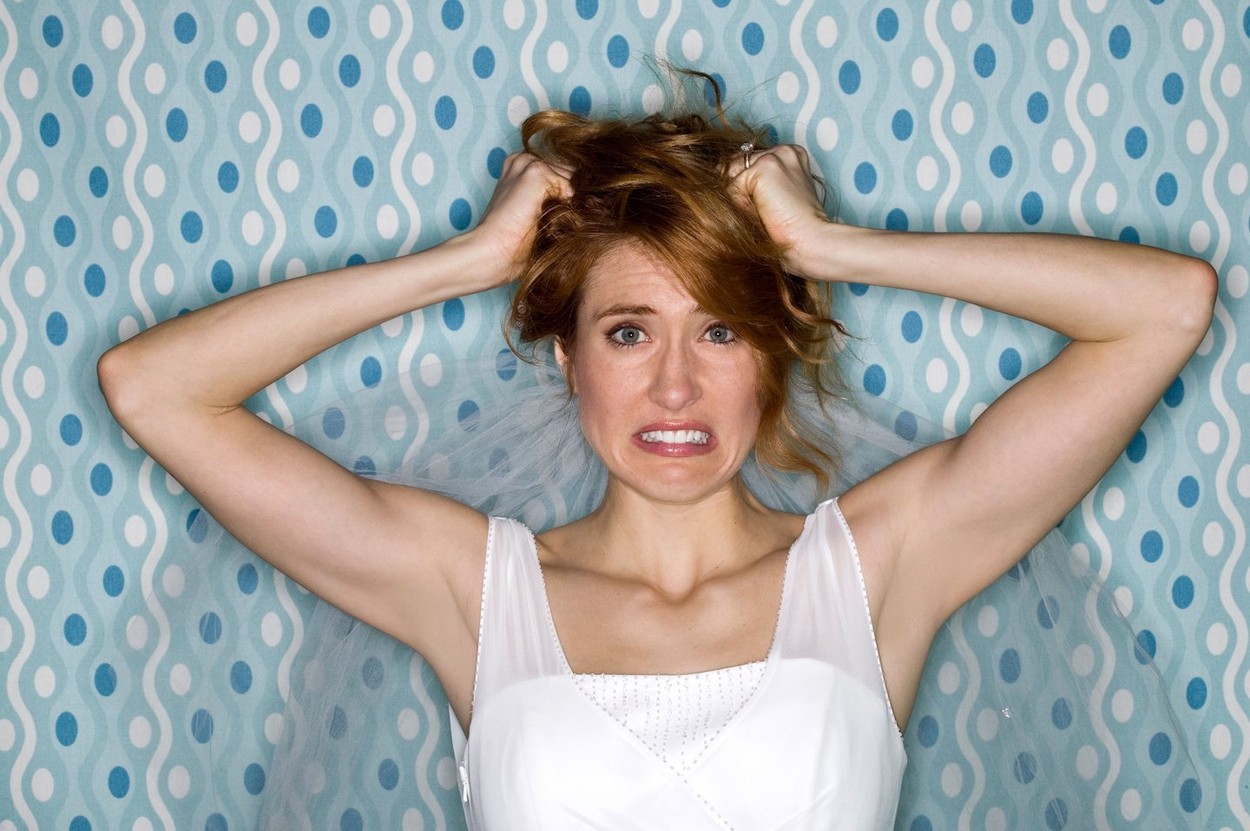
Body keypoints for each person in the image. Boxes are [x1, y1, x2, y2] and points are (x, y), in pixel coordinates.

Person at [97, 94, 1215, 829]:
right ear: (568, 357)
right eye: (627, 332)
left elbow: (1164, 310)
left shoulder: (877, 566)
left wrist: (832, 248)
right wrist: (463, 262)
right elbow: (152, 389)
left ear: (769, 359)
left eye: (720, 330)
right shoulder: (470, 589)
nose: (674, 387)